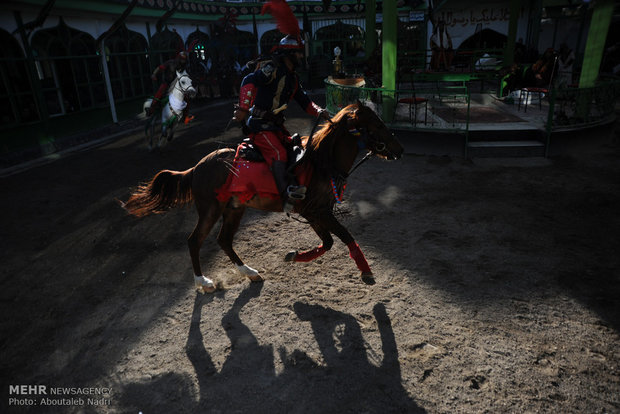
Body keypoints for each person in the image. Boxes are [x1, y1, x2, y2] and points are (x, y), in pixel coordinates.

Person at [232, 34, 329, 213]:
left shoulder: (293, 78)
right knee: (279, 153)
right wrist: (244, 108)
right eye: (299, 53)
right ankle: (286, 196)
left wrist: (318, 111)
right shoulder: (272, 69)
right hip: (260, 126)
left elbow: (304, 100)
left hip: (276, 127)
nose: (301, 56)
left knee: (297, 149)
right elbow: (249, 80)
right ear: (289, 54)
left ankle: (294, 187)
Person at [147, 51, 189, 116]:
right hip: (167, 82)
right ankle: (151, 109)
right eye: (182, 59)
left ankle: (185, 115)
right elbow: (160, 68)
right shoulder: (170, 63)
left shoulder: (184, 66)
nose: (183, 61)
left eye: (184, 59)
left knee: (186, 97)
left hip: (177, 85)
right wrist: (154, 74)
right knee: (159, 94)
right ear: (179, 58)